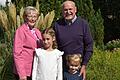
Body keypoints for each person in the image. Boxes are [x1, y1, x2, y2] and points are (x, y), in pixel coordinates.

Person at [53, 1, 93, 80]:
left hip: (77, 67)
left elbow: (89, 45)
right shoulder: (57, 25)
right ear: (62, 11)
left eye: (70, 9)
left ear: (75, 10)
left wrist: (84, 65)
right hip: (61, 66)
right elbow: (52, 44)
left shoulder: (83, 24)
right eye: (65, 10)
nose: (68, 12)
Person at [13, 6, 43, 80]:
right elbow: (17, 53)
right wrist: (22, 74)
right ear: (25, 17)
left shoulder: (37, 31)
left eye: (34, 16)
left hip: (35, 69)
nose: (32, 19)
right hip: (25, 72)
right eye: (30, 16)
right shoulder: (21, 31)